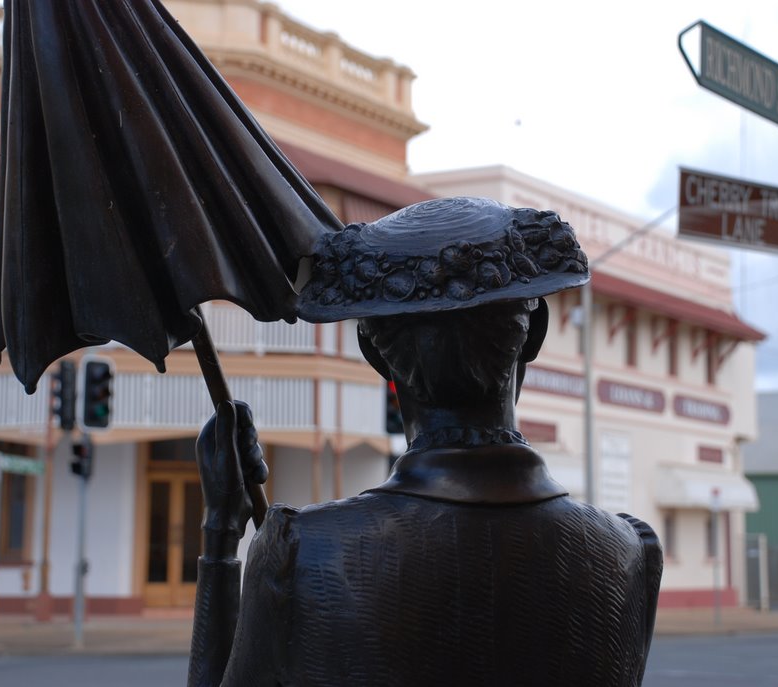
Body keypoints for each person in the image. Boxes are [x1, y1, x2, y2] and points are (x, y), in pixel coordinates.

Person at [188, 197, 663, 687]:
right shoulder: (629, 553)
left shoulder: (301, 552)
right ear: (535, 334)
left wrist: (221, 530)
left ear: (372, 351)